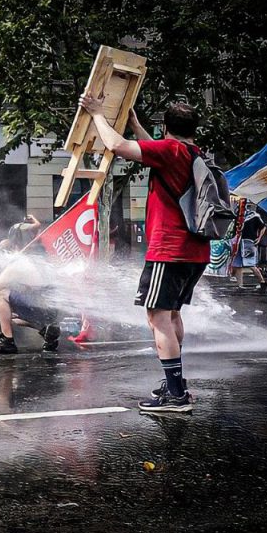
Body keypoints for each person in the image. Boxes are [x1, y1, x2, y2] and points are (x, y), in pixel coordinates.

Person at [80, 94, 210, 413]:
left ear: (166, 127)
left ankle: (176, 395)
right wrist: (136, 125)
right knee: (172, 314)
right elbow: (152, 151)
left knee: (157, 316)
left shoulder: (170, 150)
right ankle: (176, 386)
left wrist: (97, 113)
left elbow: (117, 146)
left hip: (169, 249)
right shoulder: (192, 152)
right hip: (194, 250)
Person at [0, 253, 60, 353]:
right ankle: (46, 330)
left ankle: (7, 340)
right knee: (11, 318)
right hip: (52, 311)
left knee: (1, 295)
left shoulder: (16, 265)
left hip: (41, 307)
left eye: (3, 250)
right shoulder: (36, 262)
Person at [231, 205, 267, 292]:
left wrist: (259, 238)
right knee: (237, 264)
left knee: (250, 264)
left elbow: (263, 227)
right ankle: (240, 285)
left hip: (248, 242)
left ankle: (263, 282)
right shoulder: (237, 216)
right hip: (238, 241)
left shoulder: (254, 215)